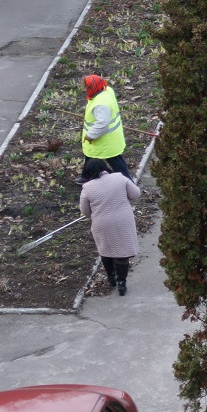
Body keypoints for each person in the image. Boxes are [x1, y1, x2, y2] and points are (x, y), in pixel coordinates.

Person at [79, 158, 140, 296]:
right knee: (122, 253)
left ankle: (111, 277)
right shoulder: (119, 177)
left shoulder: (87, 188)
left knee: (106, 250)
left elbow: (85, 212)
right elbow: (136, 194)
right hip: (123, 220)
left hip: (102, 223)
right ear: (105, 167)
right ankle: (121, 283)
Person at [80, 74, 131, 185]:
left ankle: (128, 181)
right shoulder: (107, 91)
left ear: (92, 88)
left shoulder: (100, 104)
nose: (85, 89)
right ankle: (85, 176)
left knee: (115, 161)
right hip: (109, 138)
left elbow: (102, 124)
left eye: (87, 87)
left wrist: (90, 135)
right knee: (90, 156)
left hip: (105, 141)